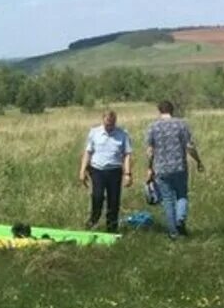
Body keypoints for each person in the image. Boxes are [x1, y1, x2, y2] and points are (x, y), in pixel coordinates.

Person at [145, 101, 204, 239]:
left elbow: (150, 151)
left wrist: (149, 167)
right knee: (182, 195)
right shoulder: (181, 124)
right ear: (173, 110)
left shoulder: (153, 127)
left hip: (161, 169)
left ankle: (173, 233)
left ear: (159, 111)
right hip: (179, 167)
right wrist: (198, 161)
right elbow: (189, 146)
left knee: (167, 199)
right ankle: (180, 218)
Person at [78, 110, 133, 233]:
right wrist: (82, 171)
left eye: (112, 124)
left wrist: (128, 174)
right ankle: (93, 220)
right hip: (97, 170)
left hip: (114, 171)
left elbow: (127, 155)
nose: (109, 126)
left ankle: (112, 228)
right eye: (107, 123)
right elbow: (88, 152)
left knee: (114, 201)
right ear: (103, 120)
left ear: (115, 122)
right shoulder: (94, 133)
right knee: (97, 197)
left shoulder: (122, 134)